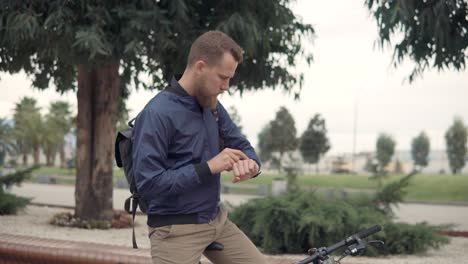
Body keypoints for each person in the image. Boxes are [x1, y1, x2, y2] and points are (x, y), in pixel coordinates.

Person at [132, 31, 268, 264]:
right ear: (200, 66)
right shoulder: (157, 114)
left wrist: (251, 165)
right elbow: (148, 184)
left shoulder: (212, 106)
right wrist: (208, 167)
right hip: (175, 230)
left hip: (216, 222)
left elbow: (242, 145)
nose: (227, 86)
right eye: (223, 77)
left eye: (230, 79)